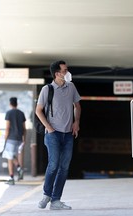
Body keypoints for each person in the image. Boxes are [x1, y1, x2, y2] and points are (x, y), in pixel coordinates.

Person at [36, 60, 81, 210]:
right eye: (65, 70)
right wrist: (49, 127)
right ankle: (46, 194)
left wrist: (76, 122)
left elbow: (77, 106)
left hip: (68, 134)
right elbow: (38, 110)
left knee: (64, 167)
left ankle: (56, 200)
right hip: (53, 134)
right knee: (53, 165)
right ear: (57, 74)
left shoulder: (71, 87)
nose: (67, 72)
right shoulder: (47, 89)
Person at [2, 97, 26, 185]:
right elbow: (24, 128)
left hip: (11, 139)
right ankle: (19, 169)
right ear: (17, 103)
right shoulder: (21, 113)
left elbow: (7, 127)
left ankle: (11, 178)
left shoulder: (9, 113)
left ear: (10, 104)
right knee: (12, 156)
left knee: (9, 157)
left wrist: (5, 138)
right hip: (19, 139)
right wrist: (24, 139)